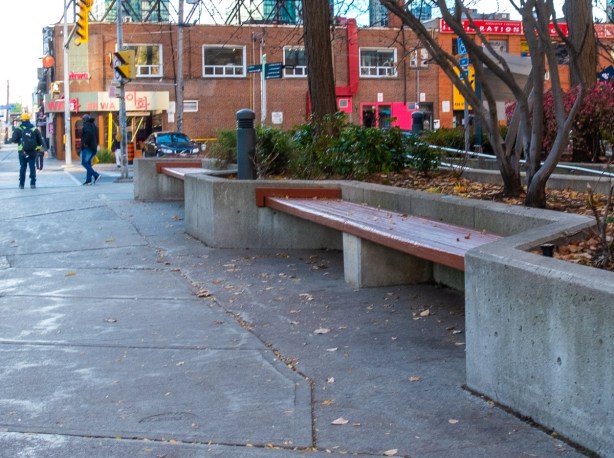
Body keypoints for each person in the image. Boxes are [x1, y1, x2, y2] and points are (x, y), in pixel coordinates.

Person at [12, 112, 44, 189]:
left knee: (23, 167)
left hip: (22, 152)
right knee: (32, 167)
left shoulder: (18, 129)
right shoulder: (34, 129)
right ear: (29, 120)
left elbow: (14, 140)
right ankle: (32, 183)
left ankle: (21, 184)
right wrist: (37, 148)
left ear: (22, 120)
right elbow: (40, 141)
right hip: (32, 151)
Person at [80, 114, 101, 185]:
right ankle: (88, 180)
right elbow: (97, 137)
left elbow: (88, 134)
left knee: (84, 163)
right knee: (88, 163)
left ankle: (96, 175)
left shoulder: (87, 125)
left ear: (85, 120)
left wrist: (85, 143)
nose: (82, 121)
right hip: (93, 147)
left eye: (83, 119)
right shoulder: (94, 126)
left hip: (88, 147)